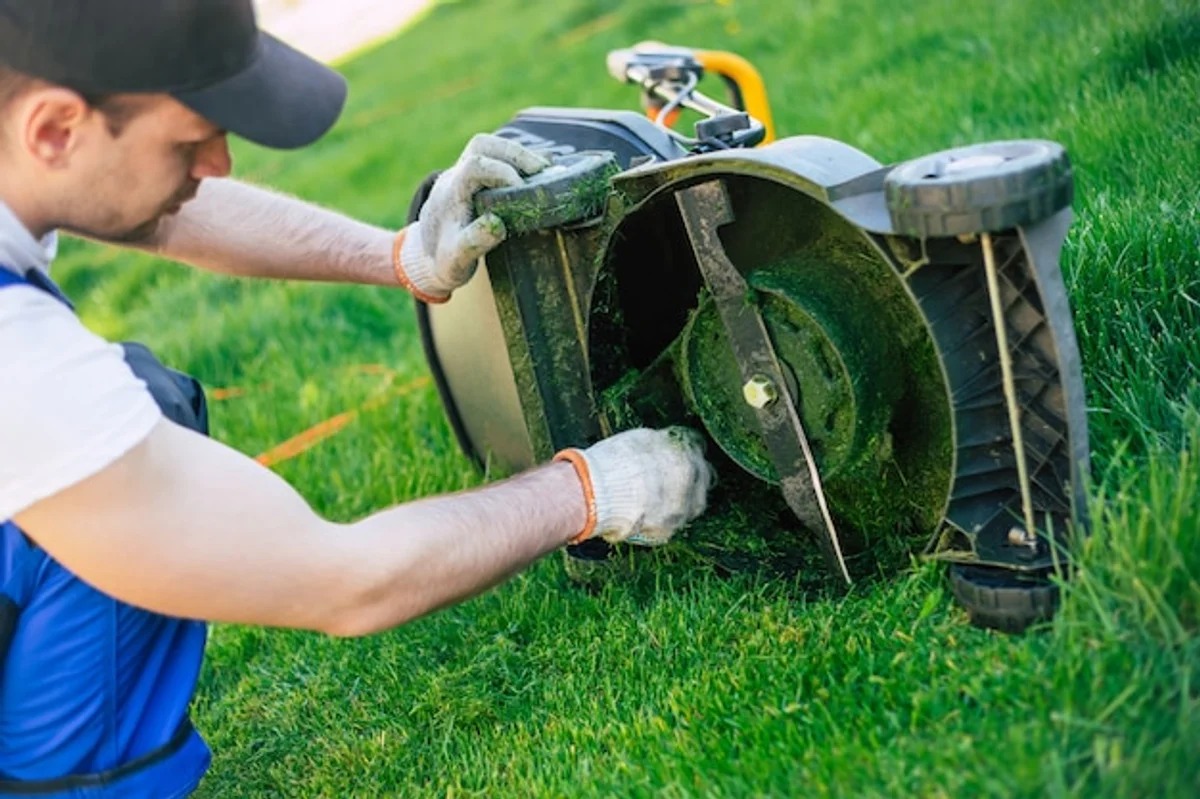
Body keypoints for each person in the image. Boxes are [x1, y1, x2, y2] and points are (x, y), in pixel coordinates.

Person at [0, 1, 715, 795]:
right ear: (55, 131)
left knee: (134, 413)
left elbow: (156, 208)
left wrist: (400, 255)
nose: (220, 164)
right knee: (116, 439)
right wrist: (592, 490)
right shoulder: (20, 367)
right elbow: (343, 579)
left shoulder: (27, 155)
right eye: (189, 139)